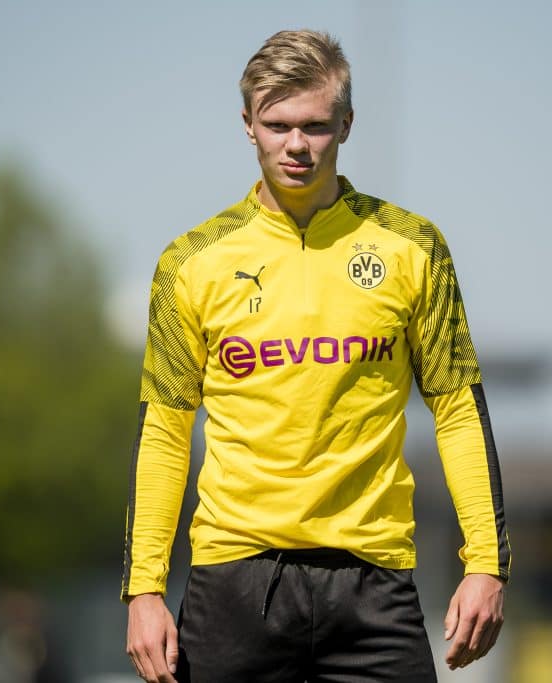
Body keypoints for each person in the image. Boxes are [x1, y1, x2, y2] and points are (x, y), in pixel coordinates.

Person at [122, 29, 510, 683]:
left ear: (347, 123)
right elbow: (164, 430)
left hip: (373, 584)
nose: (296, 145)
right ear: (247, 124)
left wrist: (487, 565)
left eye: (315, 126)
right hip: (234, 581)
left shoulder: (413, 248)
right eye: (277, 124)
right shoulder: (191, 262)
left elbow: (458, 410)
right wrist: (143, 588)